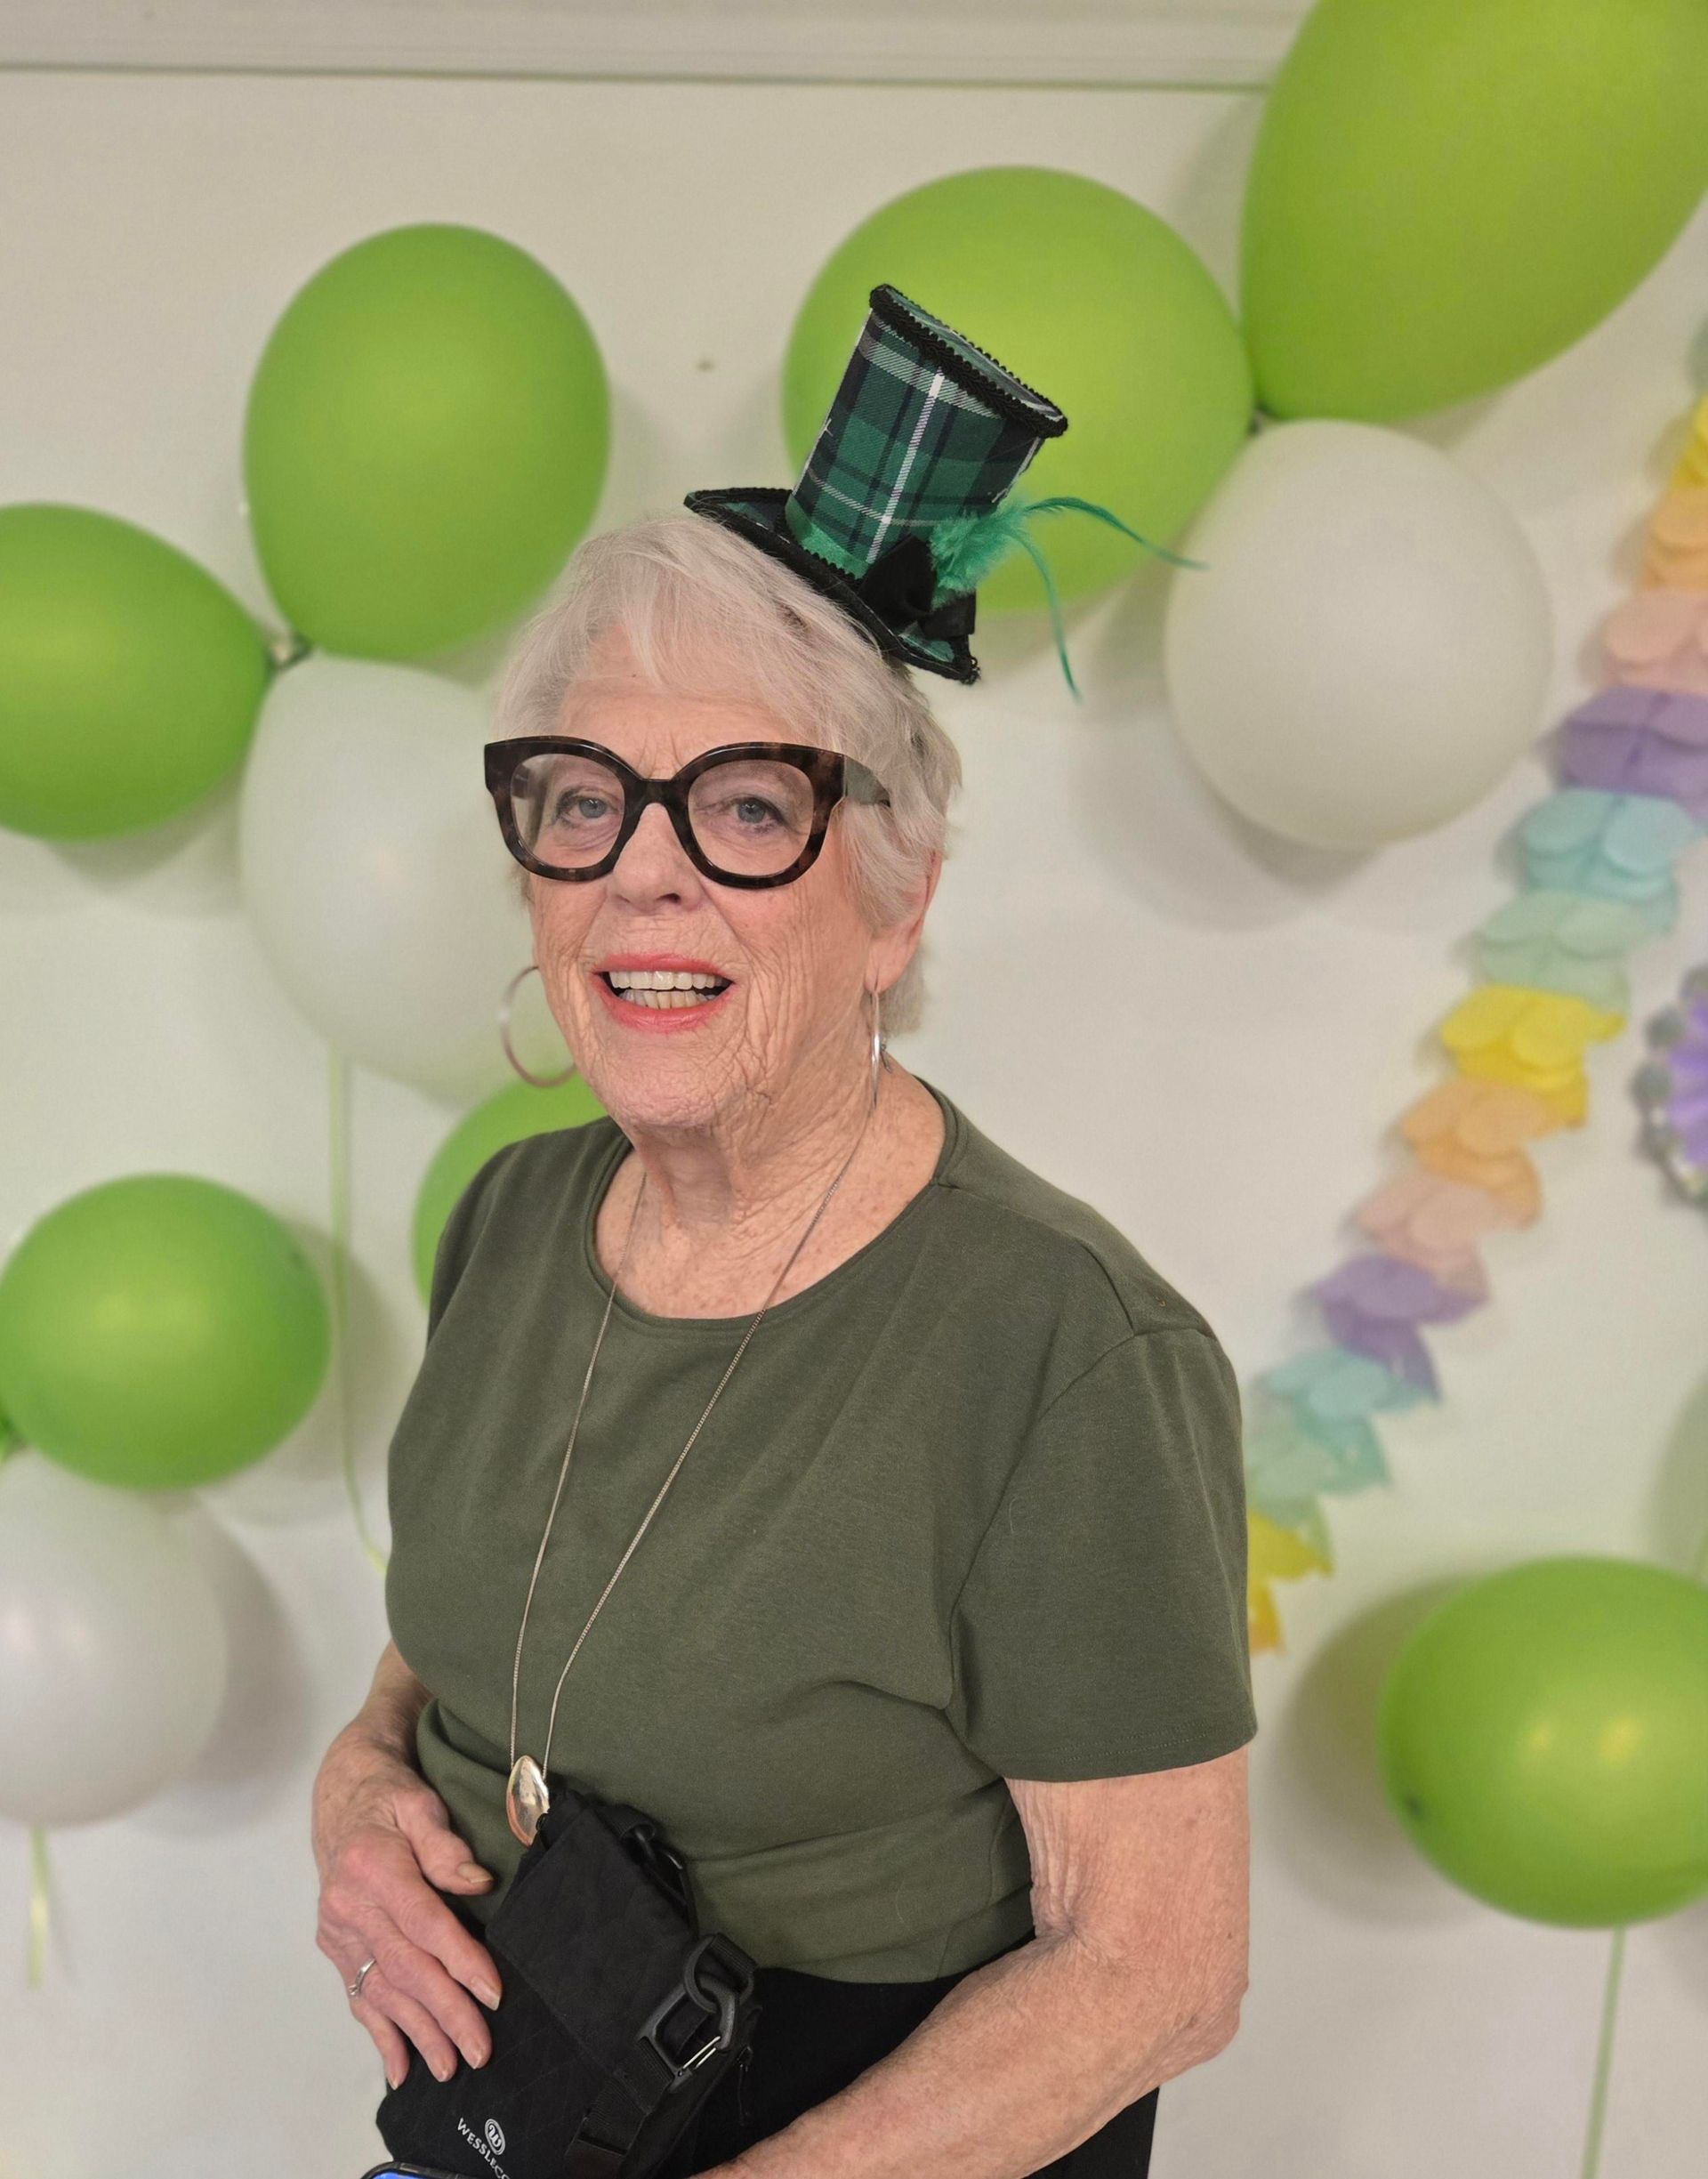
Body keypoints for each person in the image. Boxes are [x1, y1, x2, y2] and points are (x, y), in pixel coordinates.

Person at [312, 287, 1257, 2179]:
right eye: (580, 803)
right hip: (504, 2123)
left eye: (745, 805)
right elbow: (487, 1639)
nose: (642, 868)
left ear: (892, 903)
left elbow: (1160, 1972)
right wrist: (354, 1789)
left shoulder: (1062, 1350)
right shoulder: (513, 1213)